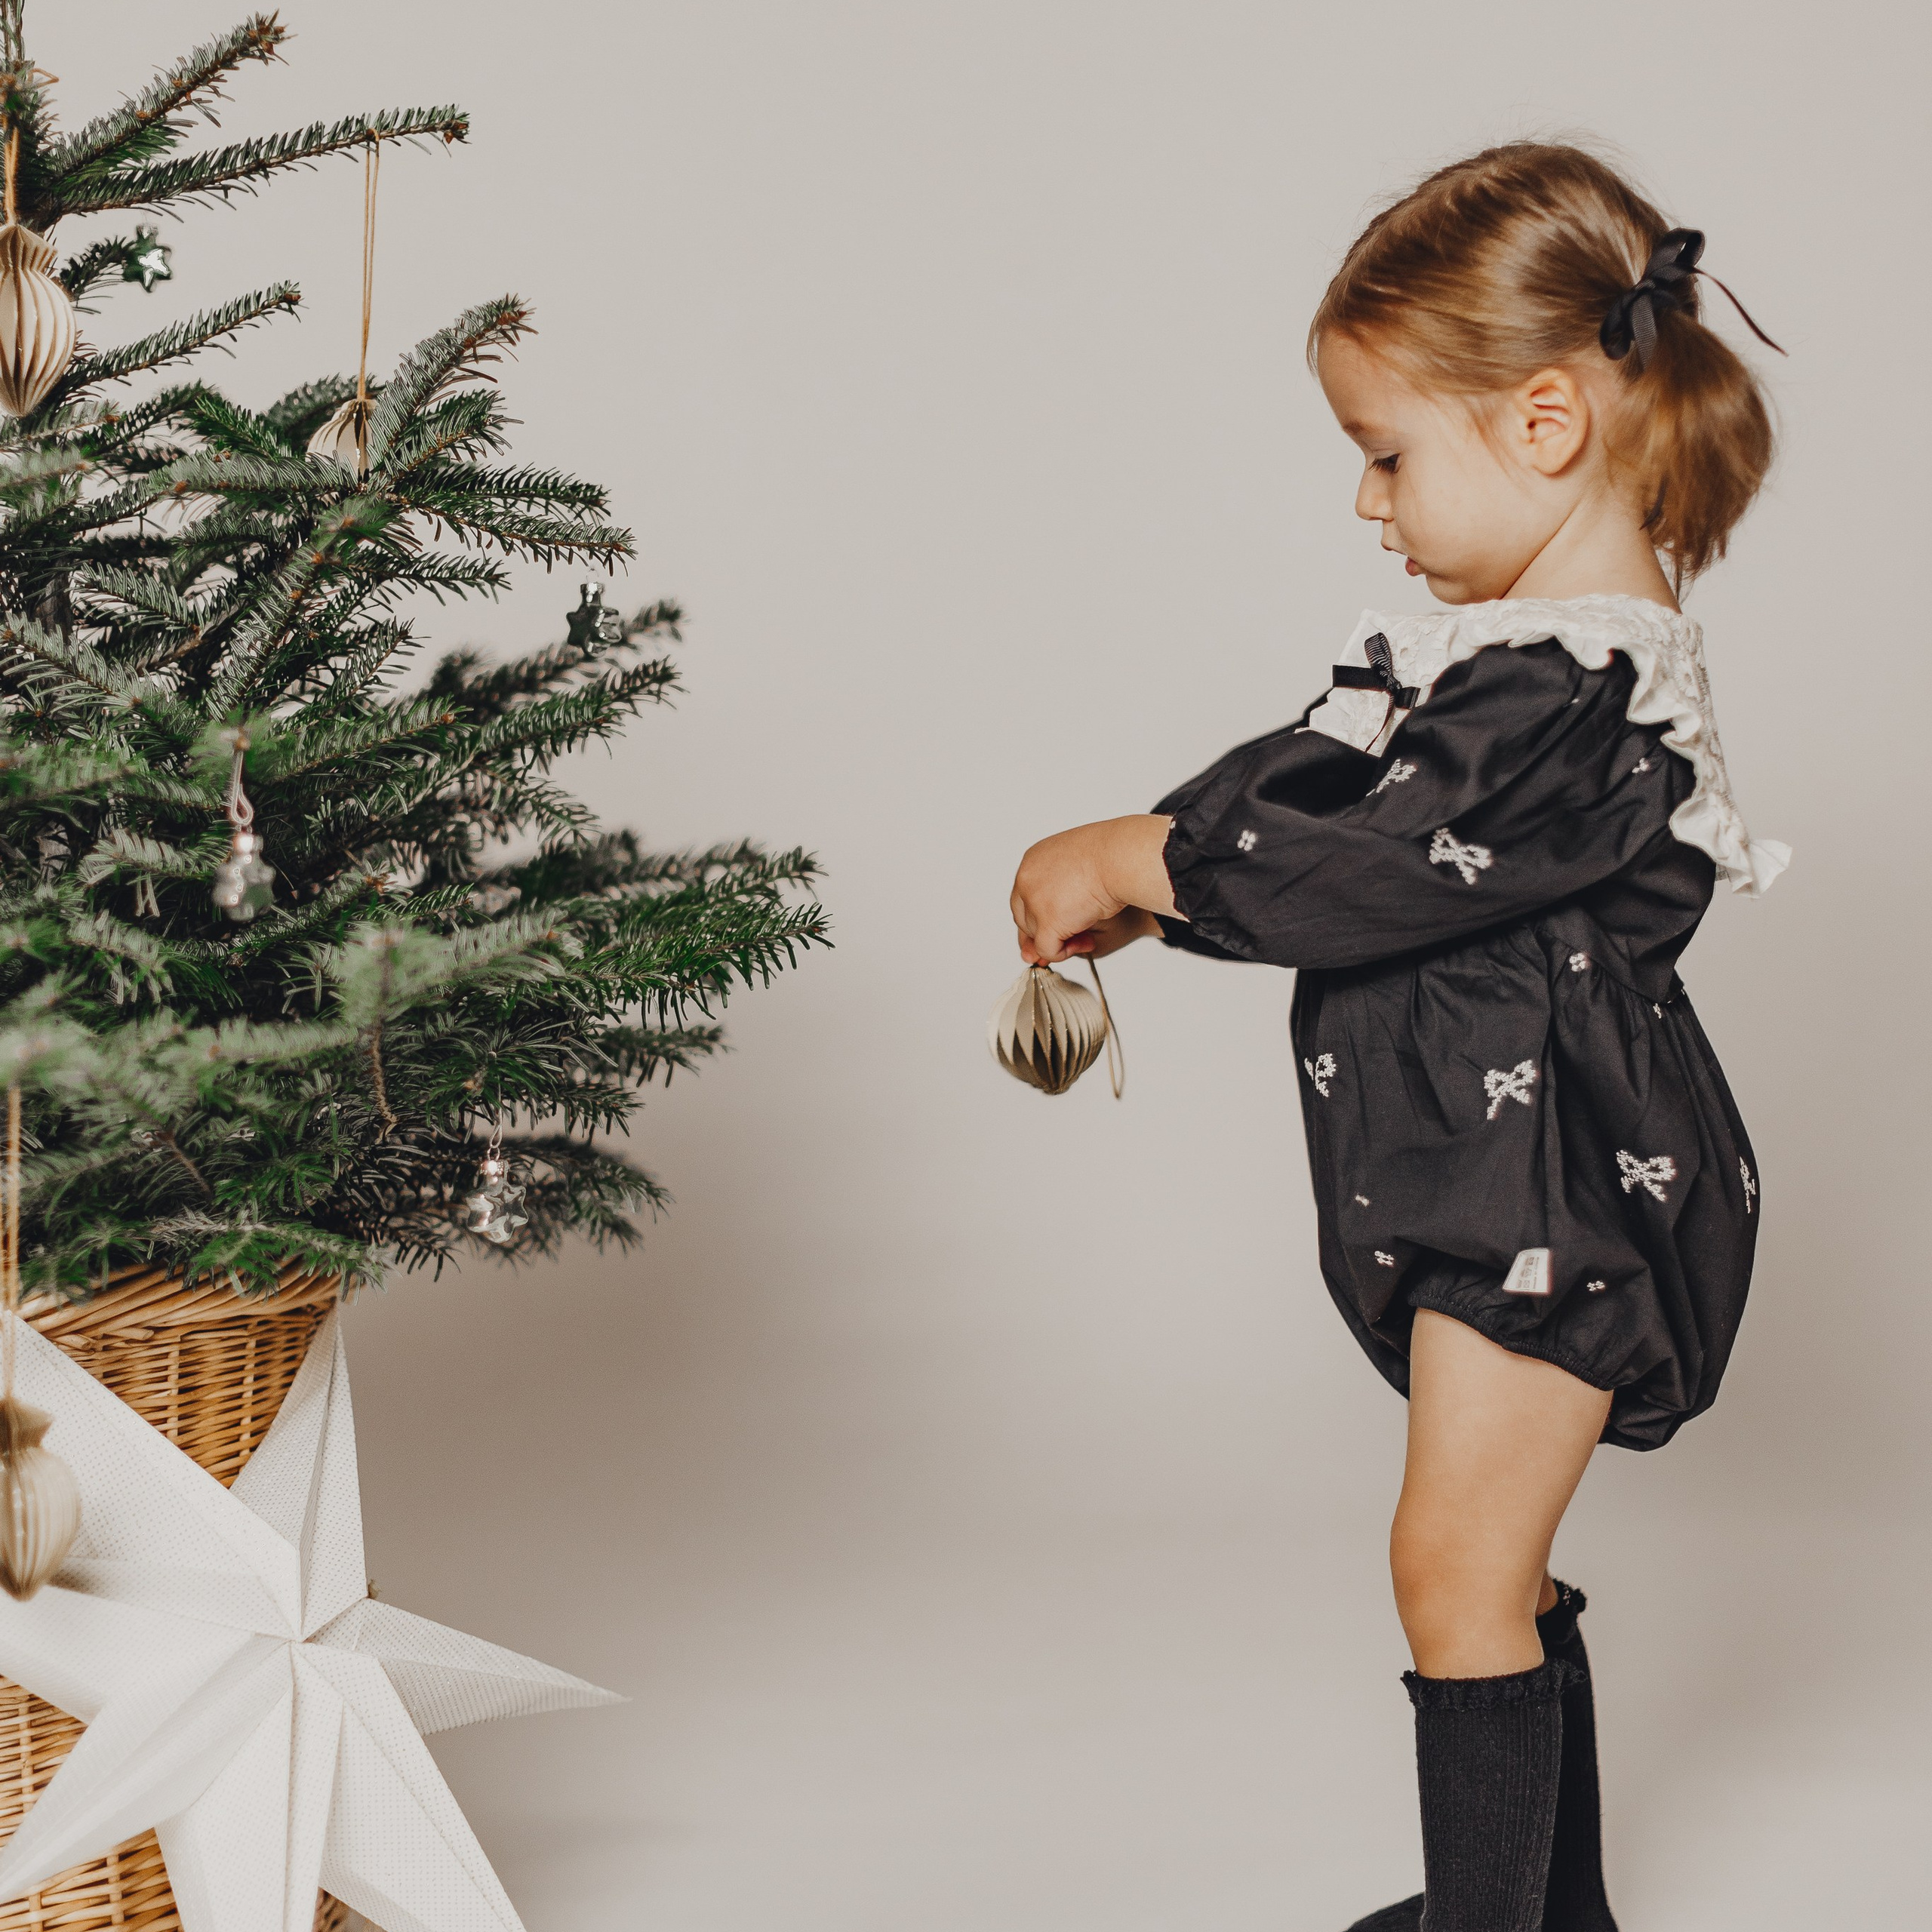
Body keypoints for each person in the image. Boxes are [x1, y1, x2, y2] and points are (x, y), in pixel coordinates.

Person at [1005, 143, 1787, 1932]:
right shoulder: (1507, 666)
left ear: (1539, 422)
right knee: (1482, 1559)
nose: (1368, 506)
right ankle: (1543, 1907)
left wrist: (1142, 851)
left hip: (1555, 1192)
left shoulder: (1573, 689)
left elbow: (1361, 850)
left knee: (1451, 1567)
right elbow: (1368, 834)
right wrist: (1172, 881)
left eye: (1382, 451)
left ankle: (1492, 1919)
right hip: (1490, 1175)